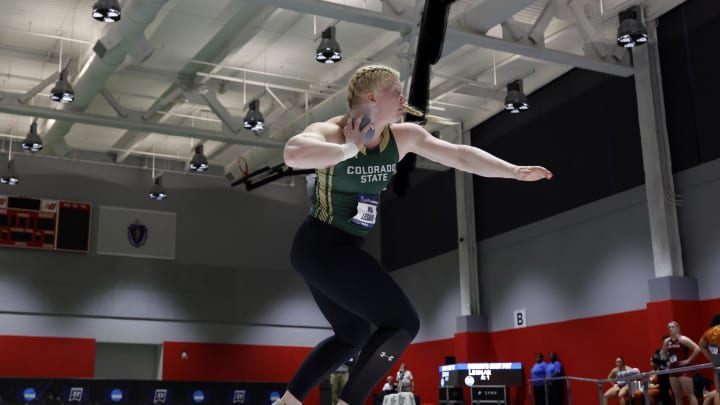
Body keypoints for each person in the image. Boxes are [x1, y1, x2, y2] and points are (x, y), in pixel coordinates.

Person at [274, 64, 552, 405]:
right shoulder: (334, 131)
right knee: (403, 323)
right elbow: (293, 153)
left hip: (339, 249)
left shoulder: (403, 136)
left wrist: (513, 171)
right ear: (373, 97)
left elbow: (459, 155)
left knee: (353, 334)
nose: (404, 97)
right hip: (319, 245)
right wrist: (349, 148)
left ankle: (286, 402)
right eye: (395, 90)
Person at [663, 320, 701, 405]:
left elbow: (697, 349)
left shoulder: (683, 339)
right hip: (672, 371)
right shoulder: (666, 341)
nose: (671, 329)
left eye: (673, 327)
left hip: (683, 369)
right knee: (677, 396)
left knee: (690, 395)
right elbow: (663, 353)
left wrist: (688, 360)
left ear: (677, 328)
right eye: (669, 327)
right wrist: (667, 361)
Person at [698, 313, 720, 405]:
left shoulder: (708, 332)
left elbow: (701, 345)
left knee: (719, 391)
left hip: (716, 360)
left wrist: (712, 359)